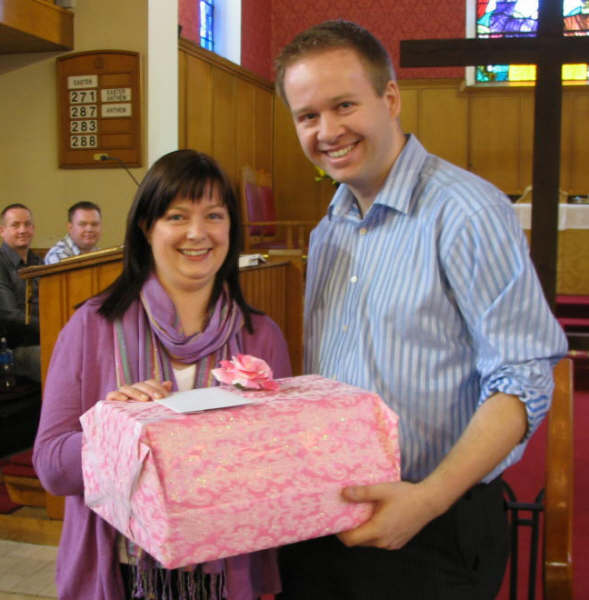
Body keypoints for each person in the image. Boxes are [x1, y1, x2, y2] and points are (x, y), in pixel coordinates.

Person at [274, 20, 568, 600]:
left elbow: (523, 379)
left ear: (390, 98)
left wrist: (426, 501)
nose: (327, 131)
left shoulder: (465, 211)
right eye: (308, 116)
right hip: (325, 520)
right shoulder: (328, 229)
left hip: (435, 522)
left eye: (344, 105)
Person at [33, 150, 291, 600]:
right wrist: (119, 429)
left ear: (230, 227)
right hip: (121, 572)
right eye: (177, 216)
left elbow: (282, 467)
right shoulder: (91, 328)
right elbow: (52, 468)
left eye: (214, 215)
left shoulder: (261, 336)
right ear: (146, 227)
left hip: (225, 572)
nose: (197, 233)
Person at [0, 203, 42, 382]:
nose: (22, 230)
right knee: (63, 360)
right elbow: (9, 315)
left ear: (33, 229)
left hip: (45, 338)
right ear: (2, 230)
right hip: (12, 348)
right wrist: (51, 328)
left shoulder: (38, 262)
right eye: (15, 225)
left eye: (27, 224)